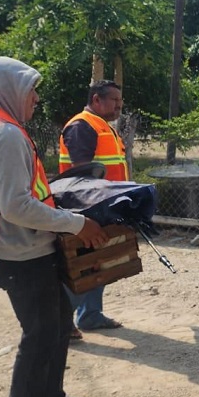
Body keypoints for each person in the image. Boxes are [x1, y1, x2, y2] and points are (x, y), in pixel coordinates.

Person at [0, 56, 110, 397]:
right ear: (7, 89)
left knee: (58, 323)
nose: (36, 97)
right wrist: (77, 224)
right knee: (39, 336)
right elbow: (16, 206)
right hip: (21, 253)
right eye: (30, 89)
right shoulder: (4, 134)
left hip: (6, 246)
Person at [58, 79, 128, 337]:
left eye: (120, 101)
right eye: (114, 100)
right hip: (89, 209)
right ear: (97, 100)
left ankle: (90, 315)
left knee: (100, 263)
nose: (119, 106)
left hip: (106, 205)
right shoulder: (82, 126)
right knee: (86, 264)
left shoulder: (103, 127)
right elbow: (82, 175)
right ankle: (60, 321)